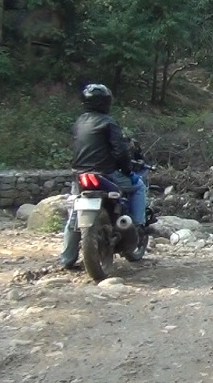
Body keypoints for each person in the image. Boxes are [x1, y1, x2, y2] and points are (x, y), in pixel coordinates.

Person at [59, 84, 147, 269]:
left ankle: (67, 258)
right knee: (138, 186)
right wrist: (128, 170)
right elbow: (120, 151)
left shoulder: (79, 122)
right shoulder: (108, 122)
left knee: (75, 213)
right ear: (106, 102)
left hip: (80, 176)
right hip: (106, 175)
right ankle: (138, 225)